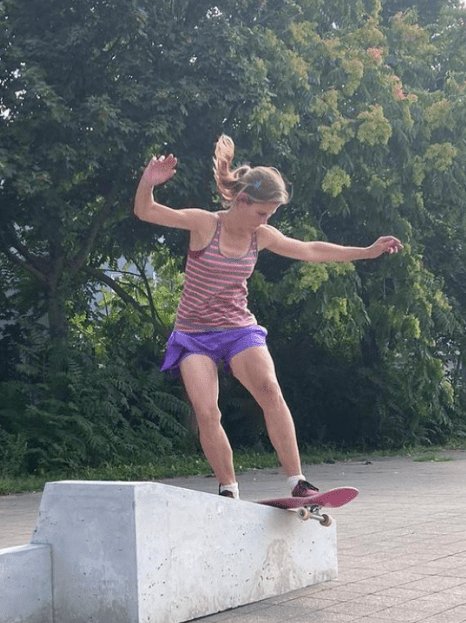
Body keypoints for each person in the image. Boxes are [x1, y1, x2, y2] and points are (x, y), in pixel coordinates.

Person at [134, 134, 403, 499]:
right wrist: (148, 183)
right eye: (262, 212)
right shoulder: (204, 224)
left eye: (270, 215)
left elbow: (310, 249)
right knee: (207, 411)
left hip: (237, 329)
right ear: (242, 201)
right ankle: (228, 490)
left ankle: (298, 482)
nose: (264, 221)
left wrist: (366, 252)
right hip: (193, 334)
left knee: (269, 390)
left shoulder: (261, 236)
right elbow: (146, 212)